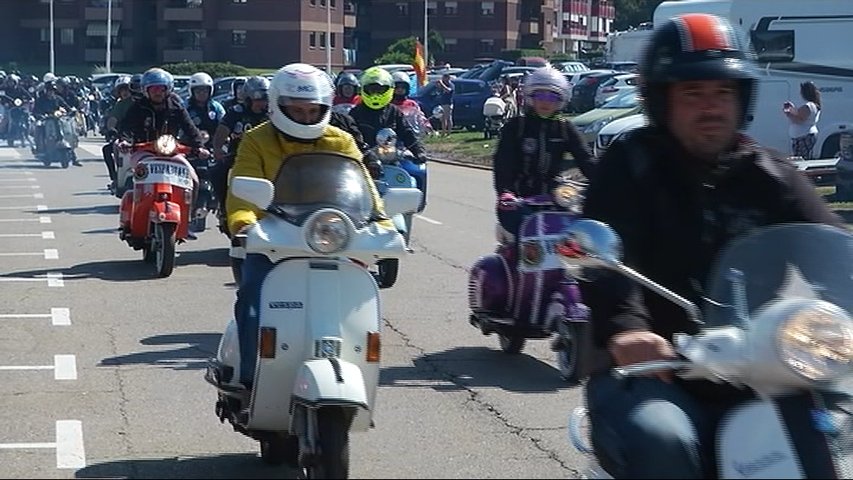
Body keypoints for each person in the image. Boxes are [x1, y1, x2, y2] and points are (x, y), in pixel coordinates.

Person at [578, 13, 848, 478]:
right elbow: (606, 259)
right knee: (665, 439)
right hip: (654, 373)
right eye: (692, 93)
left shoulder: (770, 174)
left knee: (836, 436)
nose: (711, 107)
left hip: (763, 368)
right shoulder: (631, 166)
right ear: (662, 101)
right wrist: (627, 330)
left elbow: (834, 247)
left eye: (723, 92)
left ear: (741, 98)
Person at [225, 63, 393, 390]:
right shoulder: (256, 140)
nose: (304, 117)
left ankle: (352, 363)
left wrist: (383, 222)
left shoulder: (340, 140)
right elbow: (242, 188)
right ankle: (249, 377)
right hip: (274, 240)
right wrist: (244, 224)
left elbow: (366, 189)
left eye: (312, 110)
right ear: (278, 106)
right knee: (252, 295)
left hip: (331, 237)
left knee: (359, 300)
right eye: (296, 110)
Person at [492, 66, 593, 243]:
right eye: (540, 96)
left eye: (552, 96)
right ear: (530, 97)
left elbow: (587, 160)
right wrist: (506, 192)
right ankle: (517, 266)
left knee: (576, 240)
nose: (546, 102)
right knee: (525, 242)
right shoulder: (516, 127)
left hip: (555, 199)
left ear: (561, 100)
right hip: (517, 200)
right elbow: (502, 163)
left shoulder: (565, 128)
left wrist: (607, 184)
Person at [212, 75, 270, 224]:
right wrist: (218, 148)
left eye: (265, 98)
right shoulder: (236, 112)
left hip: (267, 156)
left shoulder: (273, 114)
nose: (262, 103)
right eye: (257, 98)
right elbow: (222, 130)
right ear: (248, 98)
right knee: (217, 171)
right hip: (238, 156)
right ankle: (224, 207)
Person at [348, 66, 427, 162]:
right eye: (372, 90)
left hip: (391, 158)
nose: (376, 94)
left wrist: (418, 150)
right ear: (363, 89)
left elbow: (407, 132)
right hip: (363, 160)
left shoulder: (394, 111)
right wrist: (364, 154)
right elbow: (349, 137)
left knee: (417, 171)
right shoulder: (355, 113)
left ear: (389, 90)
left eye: (380, 90)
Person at [102, 75, 135, 188]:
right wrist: (111, 129)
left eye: (127, 89)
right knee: (108, 149)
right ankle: (116, 178)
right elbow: (113, 119)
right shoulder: (120, 105)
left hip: (144, 137)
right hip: (125, 137)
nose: (125, 92)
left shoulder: (142, 103)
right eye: (122, 90)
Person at [32, 81, 75, 163]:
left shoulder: (58, 98)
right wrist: (40, 115)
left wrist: (71, 111)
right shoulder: (40, 100)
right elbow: (35, 111)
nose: (51, 92)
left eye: (52, 90)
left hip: (58, 120)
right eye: (49, 90)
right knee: (39, 128)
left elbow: (67, 107)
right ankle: (40, 148)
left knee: (68, 132)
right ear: (46, 91)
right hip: (45, 120)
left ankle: (73, 156)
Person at [185, 71, 226, 147]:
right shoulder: (185, 107)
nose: (202, 93)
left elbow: (224, 124)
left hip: (214, 144)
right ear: (192, 91)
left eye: (205, 90)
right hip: (189, 145)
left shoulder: (216, 107)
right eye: (198, 91)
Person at [784, 81, 822, 160]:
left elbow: (800, 120)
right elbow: (800, 115)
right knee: (804, 158)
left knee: (801, 160)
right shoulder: (813, 105)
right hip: (805, 135)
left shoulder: (808, 106)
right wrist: (792, 108)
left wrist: (788, 114)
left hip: (803, 136)